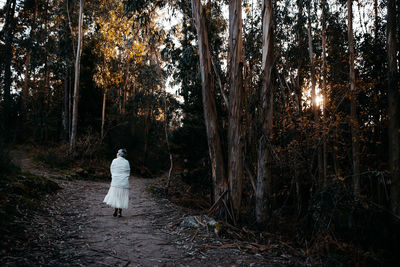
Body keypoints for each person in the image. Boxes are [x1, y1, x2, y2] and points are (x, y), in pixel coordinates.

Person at [103, 148, 130, 217]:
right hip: (124, 182)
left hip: (116, 182)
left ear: (119, 154)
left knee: (116, 196)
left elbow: (112, 170)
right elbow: (128, 172)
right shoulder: (126, 162)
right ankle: (119, 212)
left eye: (118, 153)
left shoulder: (114, 161)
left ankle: (115, 210)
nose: (117, 153)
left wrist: (114, 176)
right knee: (122, 197)